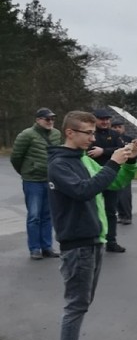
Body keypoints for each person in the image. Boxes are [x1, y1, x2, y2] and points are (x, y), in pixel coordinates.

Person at [47, 110, 137, 340]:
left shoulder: (82, 160)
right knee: (75, 306)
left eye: (93, 132)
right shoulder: (59, 164)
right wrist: (112, 161)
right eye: (87, 133)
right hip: (77, 244)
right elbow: (82, 191)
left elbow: (114, 182)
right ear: (69, 133)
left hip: (93, 240)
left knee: (81, 304)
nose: (93, 137)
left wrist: (130, 162)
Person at [11, 107, 62, 259]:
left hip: (49, 179)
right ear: (38, 120)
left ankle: (47, 247)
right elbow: (16, 157)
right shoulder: (26, 135)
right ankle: (34, 249)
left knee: (48, 215)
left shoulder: (56, 134)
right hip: (32, 181)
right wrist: (27, 172)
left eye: (52, 118)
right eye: (47, 119)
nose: (50, 121)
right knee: (34, 216)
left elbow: (57, 154)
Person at [88, 109, 127, 253]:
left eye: (107, 119)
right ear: (95, 120)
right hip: (92, 177)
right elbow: (87, 149)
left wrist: (103, 151)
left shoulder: (115, 134)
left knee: (111, 211)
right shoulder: (90, 133)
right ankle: (94, 240)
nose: (104, 122)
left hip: (111, 177)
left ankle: (111, 241)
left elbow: (122, 149)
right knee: (93, 210)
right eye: (101, 119)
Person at [111, 119, 137, 225]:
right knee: (115, 194)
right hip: (114, 167)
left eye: (119, 127)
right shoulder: (111, 138)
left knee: (125, 194)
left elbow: (136, 154)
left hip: (125, 168)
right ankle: (120, 214)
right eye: (114, 127)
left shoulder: (129, 140)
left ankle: (127, 215)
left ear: (123, 128)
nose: (117, 129)